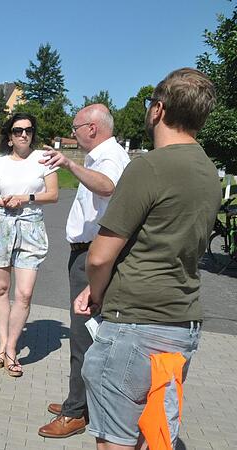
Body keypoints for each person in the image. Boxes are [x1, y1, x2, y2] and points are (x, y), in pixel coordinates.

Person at [76, 68, 220, 450]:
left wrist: (95, 294)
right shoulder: (209, 172)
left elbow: (99, 257)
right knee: (152, 434)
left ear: (158, 109)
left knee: (116, 441)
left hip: (135, 323)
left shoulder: (148, 166)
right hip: (182, 322)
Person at [36, 105, 130, 438]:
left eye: (75, 128)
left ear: (92, 128)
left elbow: (108, 186)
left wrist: (70, 165)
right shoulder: (100, 156)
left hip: (93, 254)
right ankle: (80, 401)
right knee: (86, 334)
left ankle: (76, 412)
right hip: (86, 252)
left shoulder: (109, 157)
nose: (72, 133)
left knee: (83, 335)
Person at [0, 112, 58, 377]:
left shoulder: (43, 159)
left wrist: (26, 198)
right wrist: (2, 201)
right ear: (9, 136)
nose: (23, 134)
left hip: (31, 227)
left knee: (24, 293)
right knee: (0, 288)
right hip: (2, 225)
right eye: (17, 130)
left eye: (28, 130)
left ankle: (12, 349)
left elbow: (53, 195)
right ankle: (3, 344)